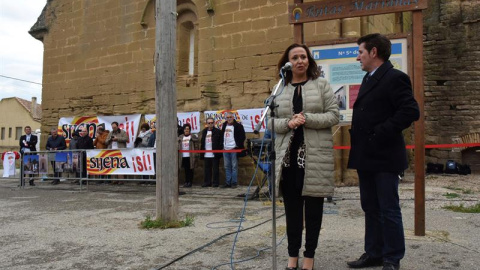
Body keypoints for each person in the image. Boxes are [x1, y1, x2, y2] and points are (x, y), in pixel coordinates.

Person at [347, 34, 420, 270]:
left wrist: (380, 132)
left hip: (385, 155)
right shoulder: (369, 78)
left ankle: (392, 257)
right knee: (370, 206)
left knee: (388, 208)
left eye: (360, 52)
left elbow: (410, 111)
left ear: (374, 52)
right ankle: (374, 252)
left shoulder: (395, 77)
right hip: (366, 155)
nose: (358, 57)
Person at [272, 43, 339, 270]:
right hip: (288, 159)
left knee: (313, 211)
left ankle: (309, 258)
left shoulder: (321, 85)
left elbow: (333, 115)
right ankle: (292, 258)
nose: (300, 60)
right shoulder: (280, 88)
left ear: (309, 60)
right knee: (292, 211)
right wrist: (288, 123)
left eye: (304, 56)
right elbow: (269, 122)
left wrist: (307, 118)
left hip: (314, 158)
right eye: (295, 57)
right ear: (287, 63)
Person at [220, 112, 246, 188]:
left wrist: (237, 144)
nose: (229, 119)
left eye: (230, 117)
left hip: (234, 148)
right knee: (227, 166)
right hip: (225, 148)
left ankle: (234, 182)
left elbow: (242, 136)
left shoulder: (238, 126)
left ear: (233, 117)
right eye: (227, 117)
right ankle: (228, 182)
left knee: (234, 166)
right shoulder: (224, 125)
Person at [200, 117, 223, 187]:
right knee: (207, 169)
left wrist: (218, 150)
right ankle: (207, 182)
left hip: (214, 153)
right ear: (206, 124)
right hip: (206, 153)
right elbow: (202, 142)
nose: (210, 124)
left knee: (215, 169)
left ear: (214, 123)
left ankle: (215, 182)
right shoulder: (204, 131)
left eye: (212, 123)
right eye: (209, 123)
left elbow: (220, 142)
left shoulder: (218, 131)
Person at [178, 123, 198, 188]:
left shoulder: (192, 136)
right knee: (186, 170)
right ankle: (186, 181)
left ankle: (190, 182)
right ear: (183, 130)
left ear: (190, 130)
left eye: (188, 129)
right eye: (185, 129)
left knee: (190, 169)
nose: (186, 130)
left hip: (190, 156)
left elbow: (196, 143)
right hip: (183, 156)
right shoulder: (181, 137)